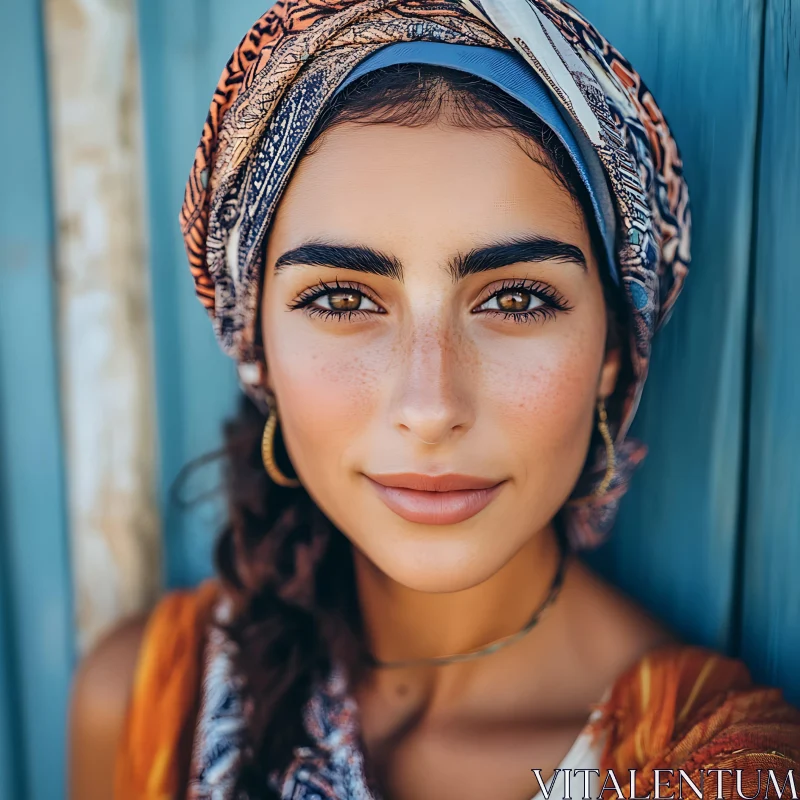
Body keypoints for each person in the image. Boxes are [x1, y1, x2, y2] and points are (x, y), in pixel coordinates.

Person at [69, 2, 800, 799]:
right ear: (259, 355)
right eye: (342, 299)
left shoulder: (722, 768)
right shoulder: (149, 707)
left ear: (614, 355)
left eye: (517, 300)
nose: (430, 405)